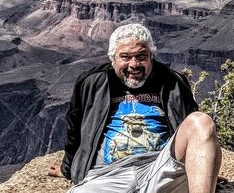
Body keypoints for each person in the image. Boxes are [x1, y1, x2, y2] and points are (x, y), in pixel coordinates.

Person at [47, 23, 221, 192]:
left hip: (160, 171)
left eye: (141, 56)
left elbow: (193, 136)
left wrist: (203, 170)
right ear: (112, 58)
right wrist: (67, 168)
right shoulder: (92, 83)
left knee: (201, 121)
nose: (134, 64)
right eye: (125, 57)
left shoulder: (172, 83)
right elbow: (74, 131)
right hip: (107, 177)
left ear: (151, 57)